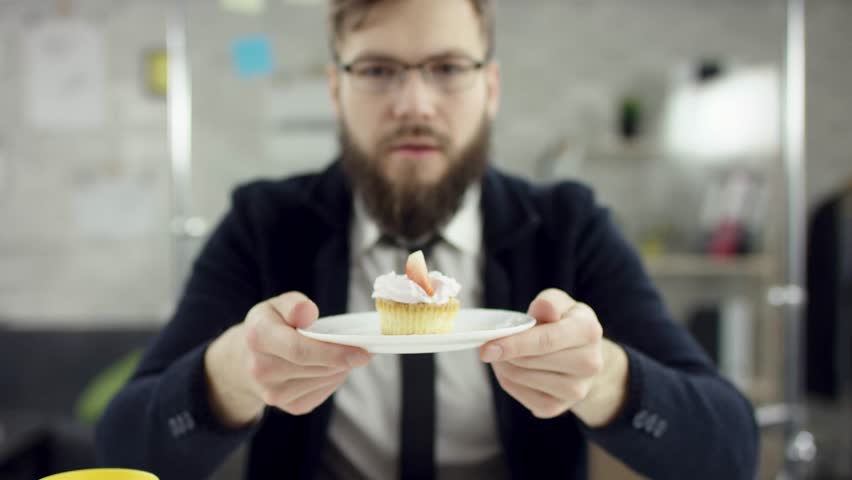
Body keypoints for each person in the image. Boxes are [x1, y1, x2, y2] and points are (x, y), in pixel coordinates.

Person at [95, 0, 759, 479]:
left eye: (447, 68)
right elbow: (124, 448)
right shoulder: (264, 224)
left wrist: (605, 378)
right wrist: (230, 376)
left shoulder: (569, 226)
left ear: (490, 87)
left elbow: (729, 450)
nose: (414, 103)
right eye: (378, 70)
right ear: (335, 90)